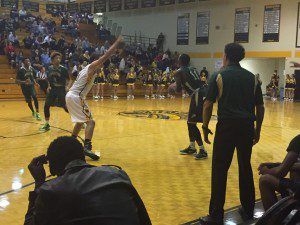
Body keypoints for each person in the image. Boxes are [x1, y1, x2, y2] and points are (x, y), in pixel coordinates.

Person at [200, 43, 265, 225]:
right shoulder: (253, 78)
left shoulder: (218, 75)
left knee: (220, 170)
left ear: (226, 55)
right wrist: (257, 130)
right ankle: (248, 209)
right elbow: (260, 107)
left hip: (226, 127)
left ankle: (215, 215)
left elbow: (207, 104)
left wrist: (205, 127)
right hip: (246, 128)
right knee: (245, 167)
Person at [24, 136, 152, 225]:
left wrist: (39, 184)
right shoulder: (117, 175)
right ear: (82, 157)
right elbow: (144, 220)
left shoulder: (50, 190)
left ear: (52, 168)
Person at [66, 36, 123, 161]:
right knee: (91, 122)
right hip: (76, 97)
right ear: (96, 61)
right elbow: (107, 54)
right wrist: (117, 43)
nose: (101, 64)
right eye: (100, 62)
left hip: (71, 96)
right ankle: (87, 146)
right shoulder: (92, 66)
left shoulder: (87, 69)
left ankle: (69, 144)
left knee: (80, 122)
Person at [171, 54, 208, 160]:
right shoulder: (193, 68)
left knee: (192, 124)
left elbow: (177, 90)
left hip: (198, 95)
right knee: (190, 122)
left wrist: (172, 87)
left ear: (180, 61)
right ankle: (192, 147)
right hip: (202, 92)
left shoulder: (178, 72)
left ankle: (202, 150)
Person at [259, 135, 300, 211]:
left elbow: (280, 172)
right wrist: (277, 165)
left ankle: (272, 221)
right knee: (295, 170)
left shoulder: (298, 140)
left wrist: (266, 171)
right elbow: (295, 164)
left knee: (265, 180)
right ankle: (295, 207)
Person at [40, 52, 70, 131]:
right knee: (46, 105)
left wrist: (67, 86)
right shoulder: (49, 68)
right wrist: (49, 86)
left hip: (61, 90)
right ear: (52, 60)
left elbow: (69, 79)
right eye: (57, 58)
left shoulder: (63, 69)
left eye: (59, 58)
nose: (59, 59)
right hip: (53, 89)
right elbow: (49, 79)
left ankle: (80, 121)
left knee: (66, 107)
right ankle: (47, 124)